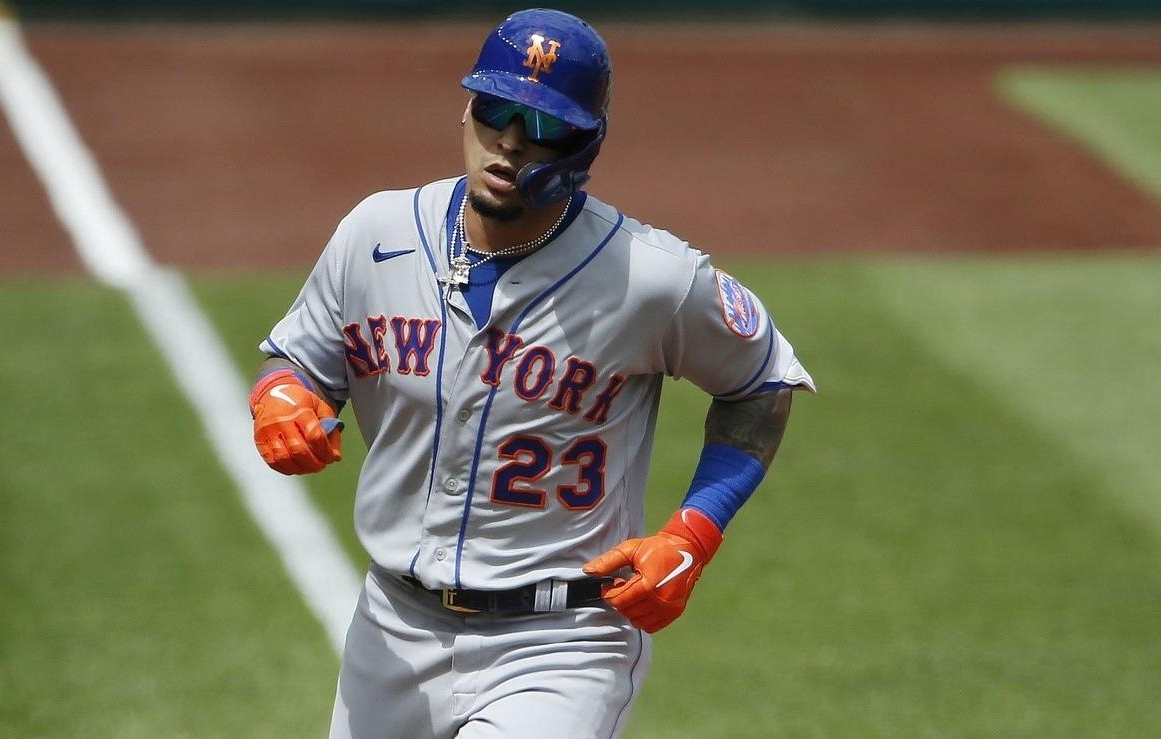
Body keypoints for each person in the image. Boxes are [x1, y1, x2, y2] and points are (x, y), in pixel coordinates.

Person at [248, 8, 815, 738]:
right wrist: (280, 397)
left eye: (544, 123)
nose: (511, 141)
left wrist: (693, 534)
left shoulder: (651, 278)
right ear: (467, 110)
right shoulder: (376, 233)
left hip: (561, 643)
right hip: (390, 628)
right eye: (496, 110)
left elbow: (762, 380)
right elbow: (299, 359)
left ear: (588, 145)